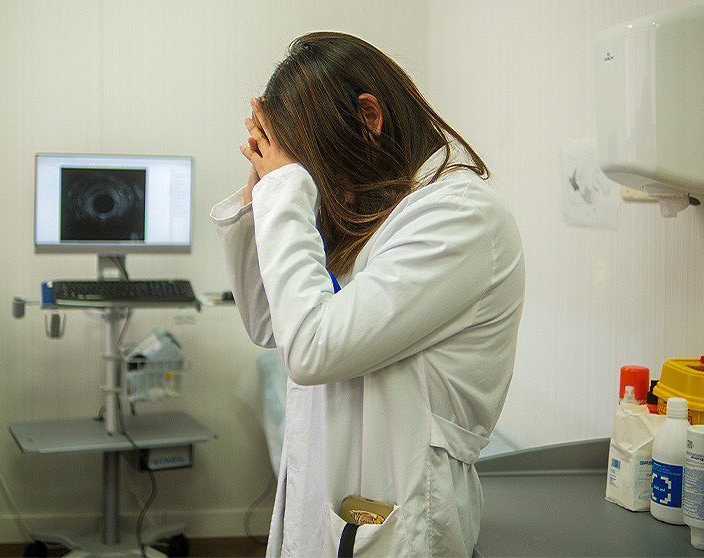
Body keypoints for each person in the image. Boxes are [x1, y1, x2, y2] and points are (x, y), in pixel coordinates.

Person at [210, 31, 524, 557]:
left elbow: (312, 349)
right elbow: (270, 322)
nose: (319, 184)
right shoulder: (381, 213)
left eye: (314, 164)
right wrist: (260, 193)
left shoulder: (460, 217)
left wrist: (286, 190)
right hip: (330, 504)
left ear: (369, 117)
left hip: (402, 517)